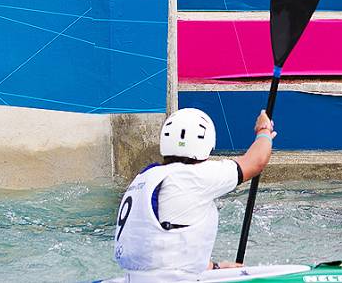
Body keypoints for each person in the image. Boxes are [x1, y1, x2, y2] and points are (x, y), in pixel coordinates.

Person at [112, 107, 276, 282]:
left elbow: (157, 246)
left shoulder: (143, 178)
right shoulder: (193, 176)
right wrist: (264, 130)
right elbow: (256, 162)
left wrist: (215, 267)